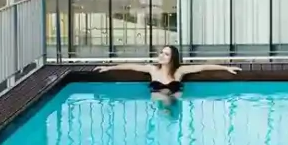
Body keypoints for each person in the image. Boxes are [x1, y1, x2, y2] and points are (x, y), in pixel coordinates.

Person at [96, 45, 239, 98]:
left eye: (166, 54)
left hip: (175, 107)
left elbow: (202, 67)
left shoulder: (179, 71)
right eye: (161, 53)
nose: (161, 56)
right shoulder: (153, 70)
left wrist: (226, 67)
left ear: (172, 58)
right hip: (158, 105)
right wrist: (109, 67)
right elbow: (131, 66)